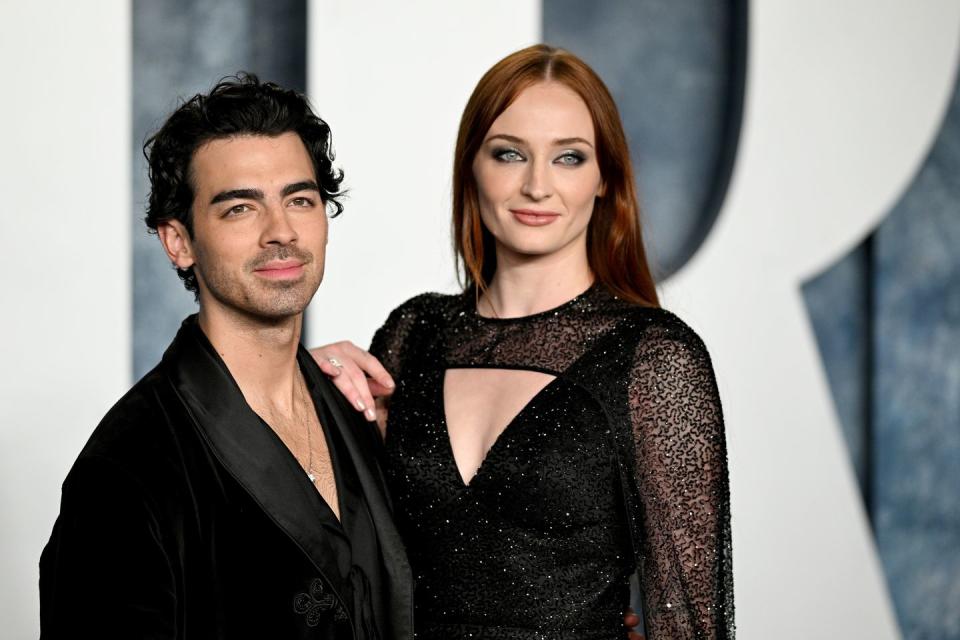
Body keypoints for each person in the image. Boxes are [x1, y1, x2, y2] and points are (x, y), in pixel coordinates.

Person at [313, 44, 735, 639]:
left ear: (604, 180)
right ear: (472, 168)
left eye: (568, 158)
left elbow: (691, 620)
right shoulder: (414, 334)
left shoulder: (653, 356)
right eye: (510, 154)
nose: (537, 186)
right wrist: (300, 393)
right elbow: (338, 563)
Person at [39, 75, 412, 640]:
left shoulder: (353, 413)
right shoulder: (126, 470)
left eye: (300, 199)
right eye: (240, 208)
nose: (280, 231)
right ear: (179, 241)